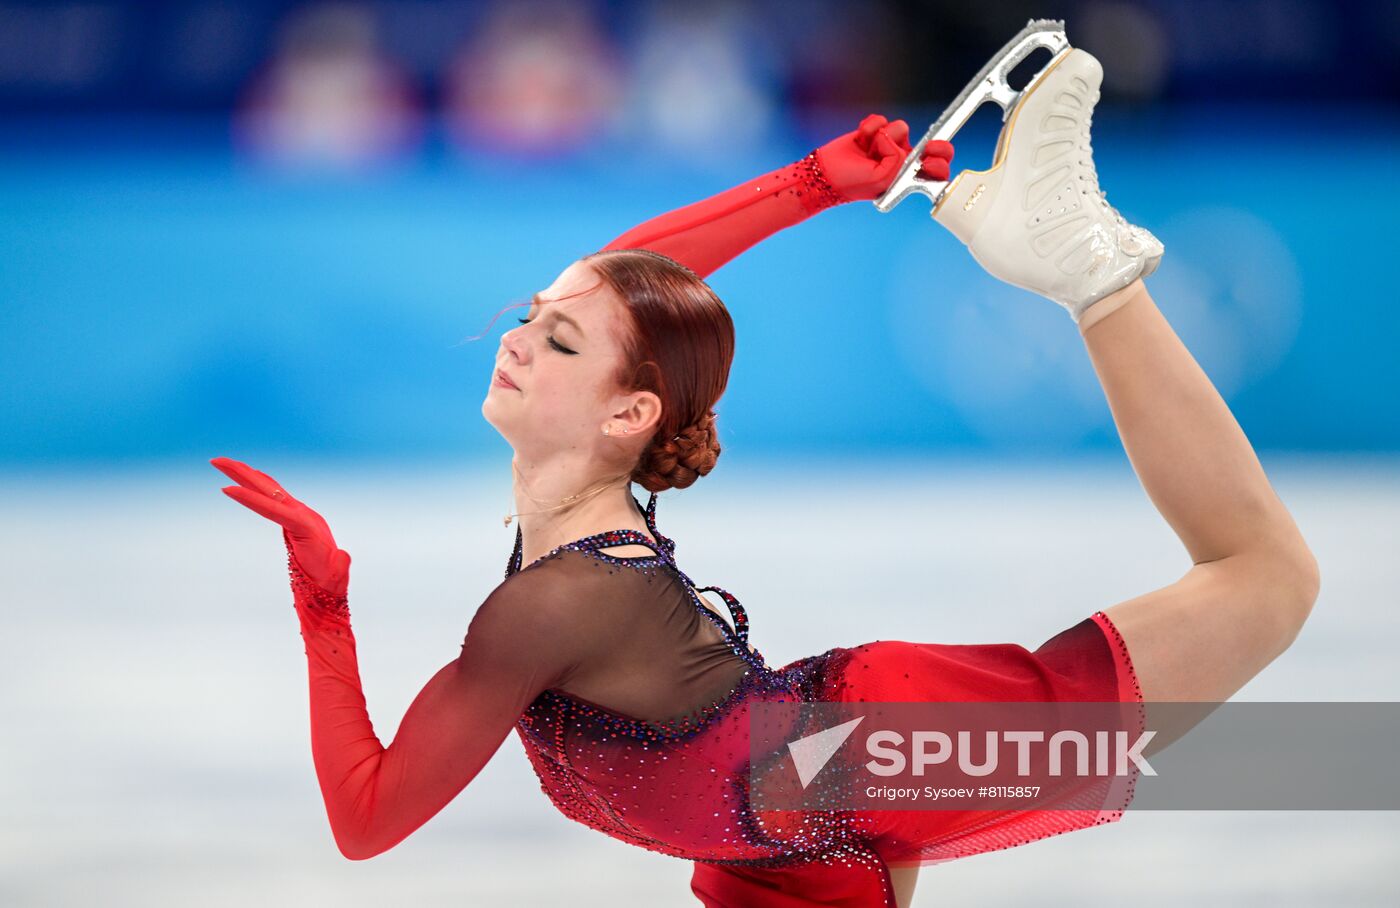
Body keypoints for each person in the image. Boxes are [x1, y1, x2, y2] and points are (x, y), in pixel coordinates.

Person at [212, 91, 1318, 906]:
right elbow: (616, 276)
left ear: (625, 415)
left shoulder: (550, 604)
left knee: (1263, 578)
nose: (513, 339)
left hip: (868, 752)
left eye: (552, 339)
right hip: (774, 848)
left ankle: (1085, 269)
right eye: (528, 319)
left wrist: (324, 602)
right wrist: (811, 183)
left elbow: (365, 820)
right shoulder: (571, 527)